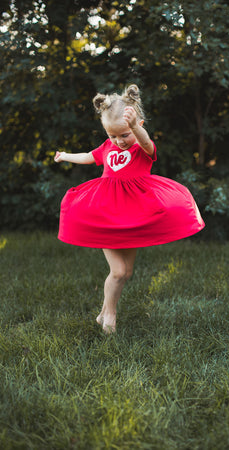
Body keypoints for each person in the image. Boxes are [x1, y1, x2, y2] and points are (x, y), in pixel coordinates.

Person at [54, 84, 205, 334]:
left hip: (133, 215)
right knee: (119, 270)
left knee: (127, 272)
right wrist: (66, 156)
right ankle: (110, 315)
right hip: (106, 213)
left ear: (138, 125)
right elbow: (89, 156)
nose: (118, 141)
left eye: (124, 135)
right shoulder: (108, 146)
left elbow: (146, 143)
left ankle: (103, 312)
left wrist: (134, 127)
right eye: (113, 136)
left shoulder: (142, 148)